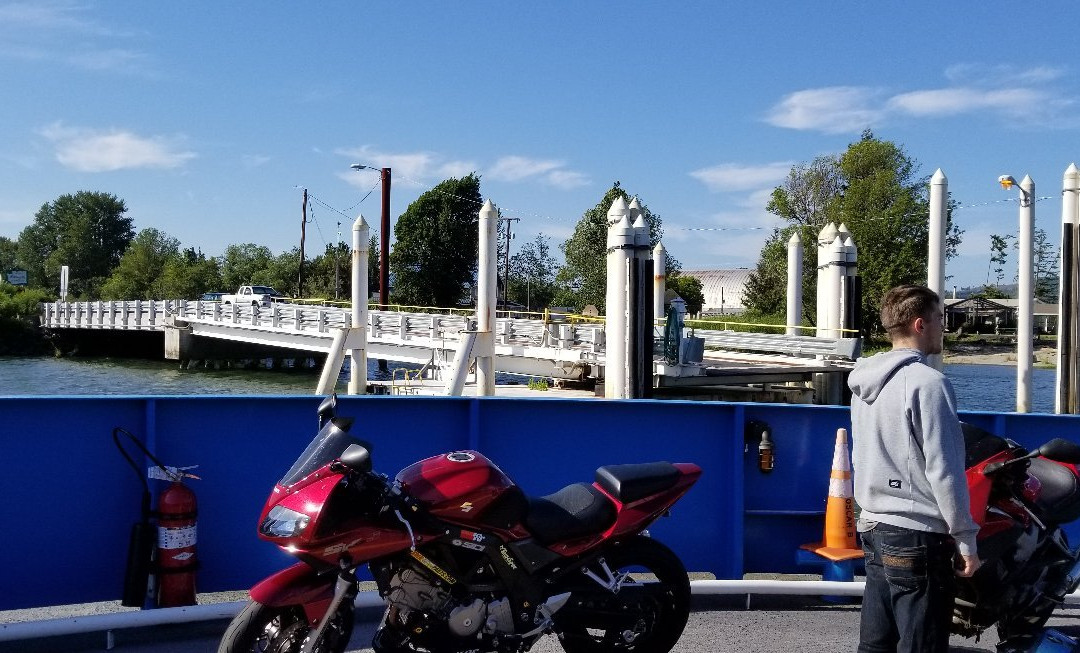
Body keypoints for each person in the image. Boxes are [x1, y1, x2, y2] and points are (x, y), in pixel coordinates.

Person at [849, 285, 981, 653]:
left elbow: (863, 454)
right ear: (921, 324)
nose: (945, 328)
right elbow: (945, 469)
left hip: (874, 527)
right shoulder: (929, 383)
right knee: (923, 644)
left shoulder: (862, 383)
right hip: (917, 534)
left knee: (875, 645)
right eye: (941, 319)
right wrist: (966, 538)